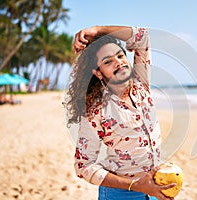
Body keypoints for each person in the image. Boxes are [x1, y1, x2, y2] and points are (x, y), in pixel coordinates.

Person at [66, 26, 176, 200]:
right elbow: (83, 166)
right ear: (98, 73)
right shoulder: (96, 110)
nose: (118, 62)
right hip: (121, 194)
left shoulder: (141, 85)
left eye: (120, 55)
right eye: (108, 62)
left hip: (155, 186)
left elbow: (142, 37)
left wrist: (97, 31)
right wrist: (134, 185)